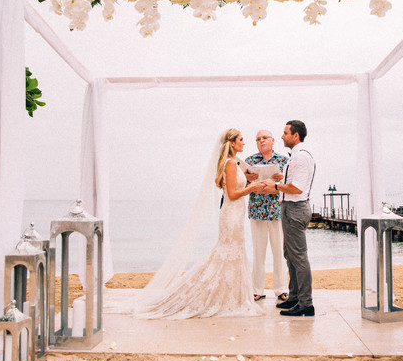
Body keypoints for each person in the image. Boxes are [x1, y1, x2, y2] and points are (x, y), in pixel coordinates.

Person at [135, 129, 265, 319]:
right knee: (226, 253)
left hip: (236, 214)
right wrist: (251, 188)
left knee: (234, 254)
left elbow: (236, 189)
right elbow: (231, 194)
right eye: (241, 140)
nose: (244, 143)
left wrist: (250, 183)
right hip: (231, 215)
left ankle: (233, 296)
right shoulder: (229, 163)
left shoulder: (235, 164)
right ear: (232, 143)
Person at [260, 120, 316, 317]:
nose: (282, 136)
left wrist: (275, 187)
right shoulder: (295, 158)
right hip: (289, 208)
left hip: (295, 208)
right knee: (289, 255)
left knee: (299, 257)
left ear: (296, 135)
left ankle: (306, 303)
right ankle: (294, 296)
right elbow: (291, 184)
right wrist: (279, 180)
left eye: (285, 133)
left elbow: (297, 188)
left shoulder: (301, 157)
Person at [243, 129, 288, 302]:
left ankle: (281, 289)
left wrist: (281, 178)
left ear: (272, 140)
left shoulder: (283, 160)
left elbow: (290, 184)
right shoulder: (250, 161)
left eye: (264, 138)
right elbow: (243, 184)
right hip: (257, 210)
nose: (261, 141)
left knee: (279, 252)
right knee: (258, 252)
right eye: (258, 139)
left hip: (278, 211)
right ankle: (257, 289)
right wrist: (248, 177)